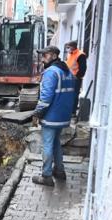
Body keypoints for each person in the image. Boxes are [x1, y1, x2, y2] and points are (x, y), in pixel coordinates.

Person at [32, 46, 76, 186]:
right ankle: (59, 171)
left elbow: (45, 98)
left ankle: (46, 176)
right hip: (63, 115)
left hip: (52, 116)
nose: (43, 57)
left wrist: (37, 114)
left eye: (45, 55)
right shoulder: (67, 71)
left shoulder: (51, 72)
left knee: (47, 145)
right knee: (56, 143)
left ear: (54, 55)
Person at [65, 40, 87, 116]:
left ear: (73, 47)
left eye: (68, 47)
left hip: (75, 79)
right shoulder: (69, 54)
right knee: (68, 95)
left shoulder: (80, 55)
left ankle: (72, 112)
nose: (67, 49)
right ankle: (68, 110)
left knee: (74, 95)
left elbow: (82, 68)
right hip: (68, 77)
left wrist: (77, 77)